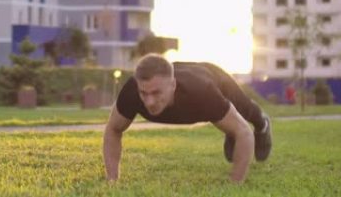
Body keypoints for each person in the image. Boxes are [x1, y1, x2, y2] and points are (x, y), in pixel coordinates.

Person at [103, 54, 272, 184]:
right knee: (233, 126)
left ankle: (262, 124)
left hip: (212, 75)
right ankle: (230, 127)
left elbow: (244, 132)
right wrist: (112, 180)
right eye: (144, 93)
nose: (149, 102)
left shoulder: (202, 92)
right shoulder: (132, 91)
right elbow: (113, 129)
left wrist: (234, 185)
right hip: (184, 74)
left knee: (244, 111)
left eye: (156, 93)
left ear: (173, 86)